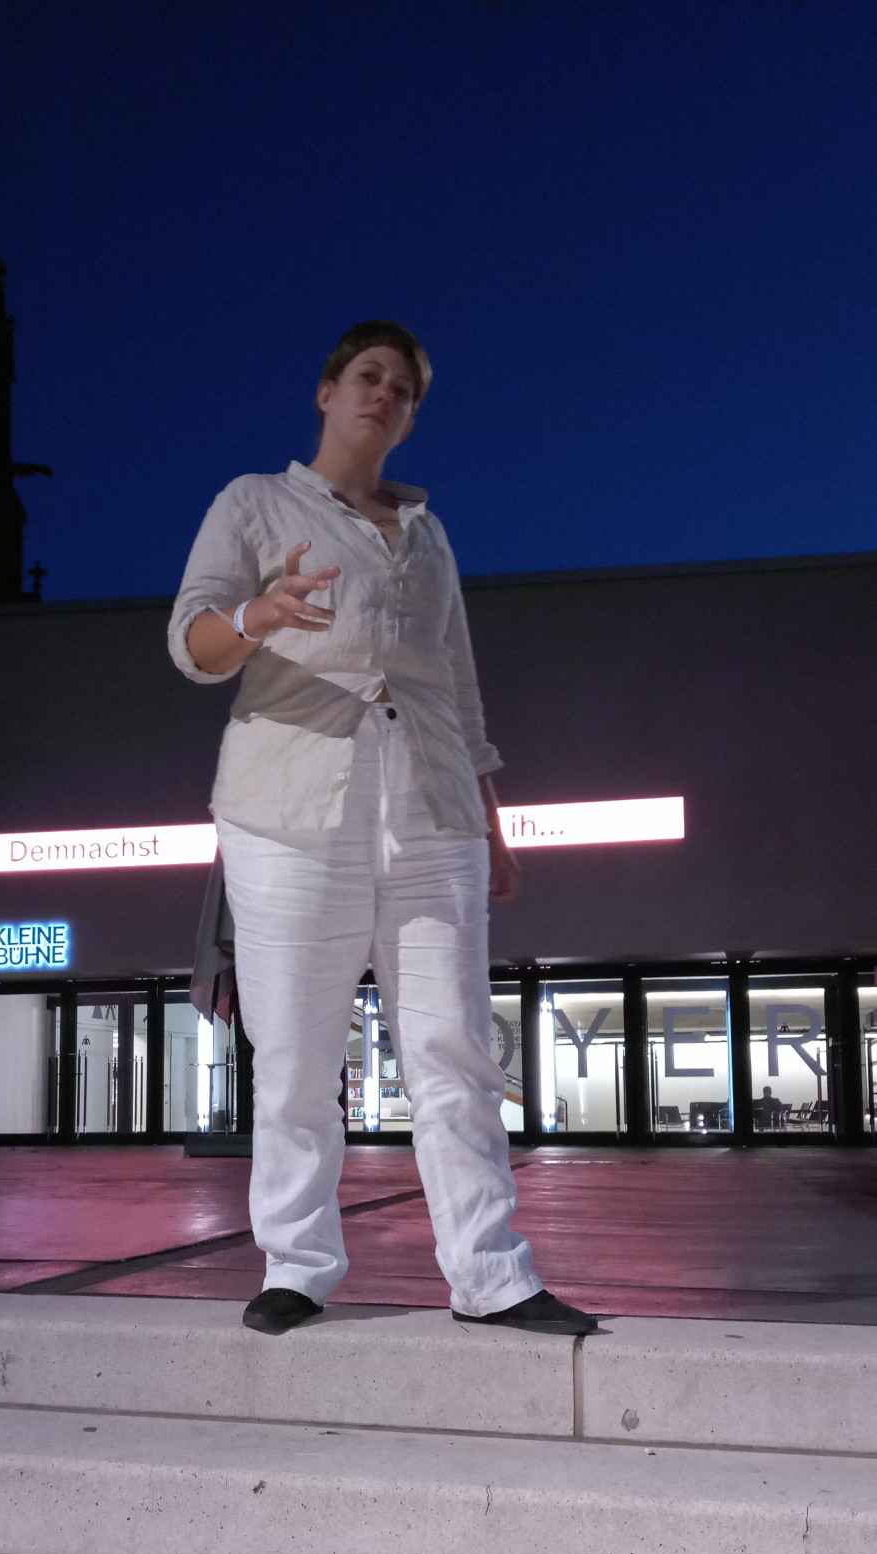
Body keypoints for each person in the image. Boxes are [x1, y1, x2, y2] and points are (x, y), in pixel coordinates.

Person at [168, 319, 598, 1337]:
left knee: (454, 1047)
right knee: (296, 1053)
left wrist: (491, 821)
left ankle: (490, 1274)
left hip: (431, 803)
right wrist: (260, 615)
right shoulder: (253, 502)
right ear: (326, 391)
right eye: (368, 376)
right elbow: (192, 644)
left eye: (403, 389)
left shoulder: (427, 535)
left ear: (409, 418)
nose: (384, 396)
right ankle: (298, 1263)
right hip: (288, 806)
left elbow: (457, 684)